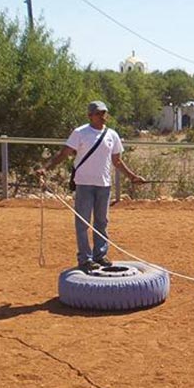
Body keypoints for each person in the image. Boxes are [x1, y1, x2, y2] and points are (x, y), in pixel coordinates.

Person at [36, 100, 145, 272]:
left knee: (102, 222)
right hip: (84, 184)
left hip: (104, 184)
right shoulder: (80, 133)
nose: (103, 117)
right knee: (83, 222)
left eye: (104, 113)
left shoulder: (112, 135)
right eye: (99, 113)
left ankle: (100, 255)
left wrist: (132, 177)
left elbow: (117, 161)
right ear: (90, 116)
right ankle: (85, 258)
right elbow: (64, 154)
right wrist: (46, 168)